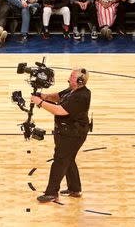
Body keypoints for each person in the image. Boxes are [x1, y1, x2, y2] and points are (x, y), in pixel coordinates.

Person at [31, 68, 91, 203]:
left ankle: (51, 193)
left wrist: (40, 102)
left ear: (80, 81)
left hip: (73, 135)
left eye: (72, 76)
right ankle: (75, 189)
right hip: (65, 132)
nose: (69, 78)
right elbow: (58, 96)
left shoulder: (82, 96)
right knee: (68, 159)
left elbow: (60, 110)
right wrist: (44, 96)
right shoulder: (72, 90)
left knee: (59, 161)